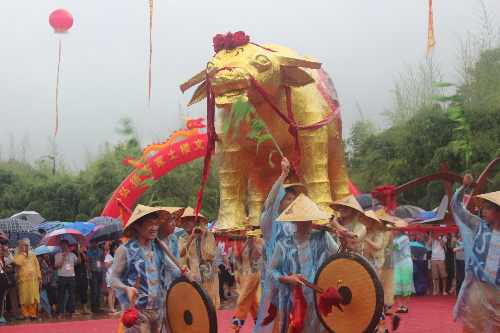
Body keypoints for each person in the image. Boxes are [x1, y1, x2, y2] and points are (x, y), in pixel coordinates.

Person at [261, 193, 338, 333]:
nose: (305, 221)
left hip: (318, 298)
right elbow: (271, 271)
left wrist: (344, 244)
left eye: (308, 217)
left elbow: (338, 257)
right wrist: (287, 279)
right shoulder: (283, 244)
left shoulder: (323, 237)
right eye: (301, 218)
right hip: (293, 300)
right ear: (294, 219)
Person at [109, 205, 185, 333]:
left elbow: (174, 271)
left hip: (158, 309)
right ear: (137, 227)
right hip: (138, 311)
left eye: (156, 224)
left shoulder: (159, 248)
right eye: (150, 224)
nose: (155, 228)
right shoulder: (125, 250)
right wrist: (126, 288)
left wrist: (184, 271)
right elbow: (113, 279)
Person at [451, 174, 500, 333]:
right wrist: (463, 188)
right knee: (474, 329)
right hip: (479, 289)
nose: (483, 212)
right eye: (483, 208)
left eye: (488, 208)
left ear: (499, 212)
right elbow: (457, 208)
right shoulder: (479, 226)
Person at [178, 207, 219, 309]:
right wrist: (191, 237)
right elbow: (180, 253)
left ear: (195, 221)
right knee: (195, 310)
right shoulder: (182, 238)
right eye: (183, 221)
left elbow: (207, 257)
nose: (184, 223)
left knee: (209, 309)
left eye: (187, 220)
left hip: (208, 280)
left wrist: (201, 237)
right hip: (191, 280)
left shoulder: (208, 236)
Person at [229, 230, 263, 332]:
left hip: (254, 273)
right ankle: (260, 324)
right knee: (252, 302)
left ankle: (236, 327)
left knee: (242, 300)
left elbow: (258, 255)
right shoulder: (236, 239)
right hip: (241, 274)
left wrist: (252, 241)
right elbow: (236, 255)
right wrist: (247, 242)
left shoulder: (258, 238)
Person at [375, 209, 400, 333]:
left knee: (380, 295)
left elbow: (381, 247)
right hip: (382, 265)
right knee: (381, 296)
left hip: (384, 266)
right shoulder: (381, 231)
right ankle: (389, 319)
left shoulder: (386, 232)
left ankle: (383, 325)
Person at [13, 240, 41, 320]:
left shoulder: (32, 255)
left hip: (33, 281)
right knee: (25, 298)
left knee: (33, 297)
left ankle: (32, 314)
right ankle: (25, 315)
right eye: (24, 246)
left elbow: (37, 267)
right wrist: (23, 254)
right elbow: (18, 263)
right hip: (23, 281)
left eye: (27, 246)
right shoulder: (17, 255)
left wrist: (39, 277)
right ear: (20, 247)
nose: (26, 247)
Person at [54, 239, 81, 318]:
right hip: (62, 277)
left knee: (72, 296)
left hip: (71, 278)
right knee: (61, 296)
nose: (64, 246)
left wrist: (79, 254)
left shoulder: (72, 255)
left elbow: (78, 261)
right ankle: (60, 312)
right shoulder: (57, 255)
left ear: (68, 246)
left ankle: (72, 311)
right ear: (60, 246)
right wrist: (63, 256)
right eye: (62, 244)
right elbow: (58, 265)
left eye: (65, 244)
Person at [393, 220, 413, 314]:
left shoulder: (404, 237)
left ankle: (406, 306)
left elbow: (395, 246)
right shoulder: (394, 238)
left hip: (405, 262)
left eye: (395, 228)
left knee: (406, 282)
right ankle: (400, 305)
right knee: (397, 282)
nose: (394, 230)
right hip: (396, 262)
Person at [427, 229, 448, 295]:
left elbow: (443, 244)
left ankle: (444, 290)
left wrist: (439, 237)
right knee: (435, 275)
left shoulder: (444, 236)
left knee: (443, 275)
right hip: (434, 258)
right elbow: (429, 243)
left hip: (441, 258)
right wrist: (430, 235)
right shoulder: (432, 238)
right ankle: (437, 290)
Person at [86, 239, 104, 313]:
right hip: (93, 272)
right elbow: (87, 263)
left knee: (98, 290)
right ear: (91, 244)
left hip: (100, 272)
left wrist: (103, 253)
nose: (95, 245)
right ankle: (93, 307)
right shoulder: (89, 252)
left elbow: (103, 259)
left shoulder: (100, 250)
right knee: (94, 290)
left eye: (96, 243)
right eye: (93, 243)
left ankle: (98, 306)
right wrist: (89, 272)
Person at [73, 241, 90, 315]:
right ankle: (74, 308)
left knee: (84, 291)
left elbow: (87, 260)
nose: (81, 244)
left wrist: (82, 252)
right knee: (75, 292)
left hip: (83, 274)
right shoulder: (72, 253)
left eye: (82, 243)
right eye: (79, 243)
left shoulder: (84, 252)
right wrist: (79, 253)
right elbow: (78, 261)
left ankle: (84, 308)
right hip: (76, 274)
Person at [0, 238, 14, 323]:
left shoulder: (3, 257)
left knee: (1, 297)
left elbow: (11, 260)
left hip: (1, 276)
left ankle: (0, 315)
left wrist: (7, 252)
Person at [104, 241, 119, 314]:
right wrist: (112, 261)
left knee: (114, 293)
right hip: (110, 276)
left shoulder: (117, 256)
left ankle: (113, 307)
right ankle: (110, 308)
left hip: (115, 276)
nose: (115, 250)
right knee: (111, 292)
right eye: (115, 248)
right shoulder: (108, 256)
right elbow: (106, 265)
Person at [36, 253, 51, 317]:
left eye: (40, 257)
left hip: (44, 281)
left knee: (44, 297)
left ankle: (44, 311)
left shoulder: (43, 262)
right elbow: (41, 272)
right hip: (37, 282)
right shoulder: (36, 263)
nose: (39, 258)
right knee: (38, 297)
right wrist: (48, 270)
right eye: (38, 257)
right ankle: (36, 311)